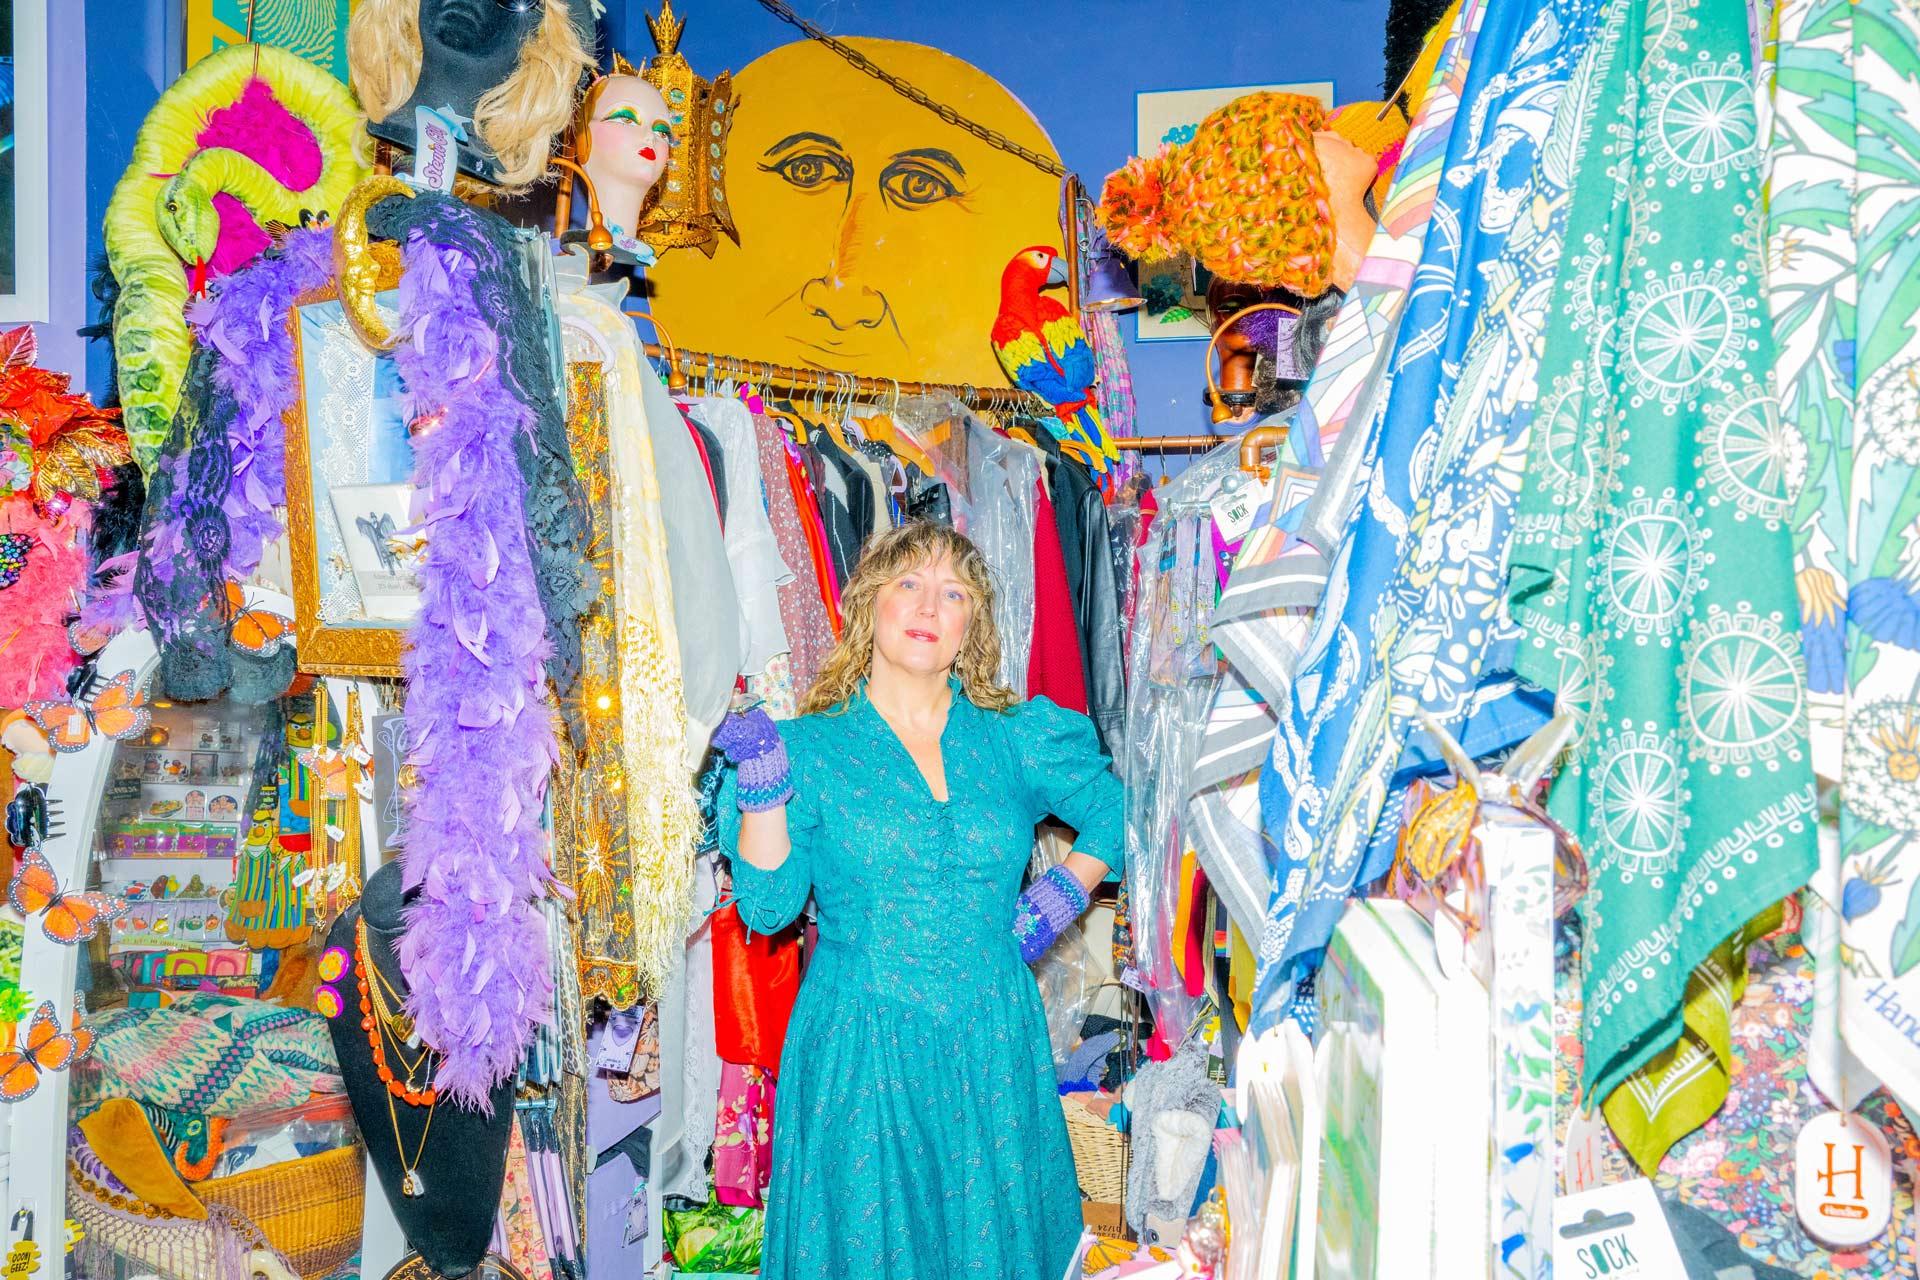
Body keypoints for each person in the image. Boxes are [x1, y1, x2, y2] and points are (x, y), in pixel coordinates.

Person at [710, 521, 1122, 1280]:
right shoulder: (809, 747)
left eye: (954, 590)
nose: (929, 604)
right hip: (861, 1049)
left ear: (972, 622)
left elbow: (1114, 810)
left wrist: (1057, 900)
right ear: (870, 603)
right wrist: (765, 783)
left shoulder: (1011, 737)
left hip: (993, 1040)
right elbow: (769, 907)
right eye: (909, 583)